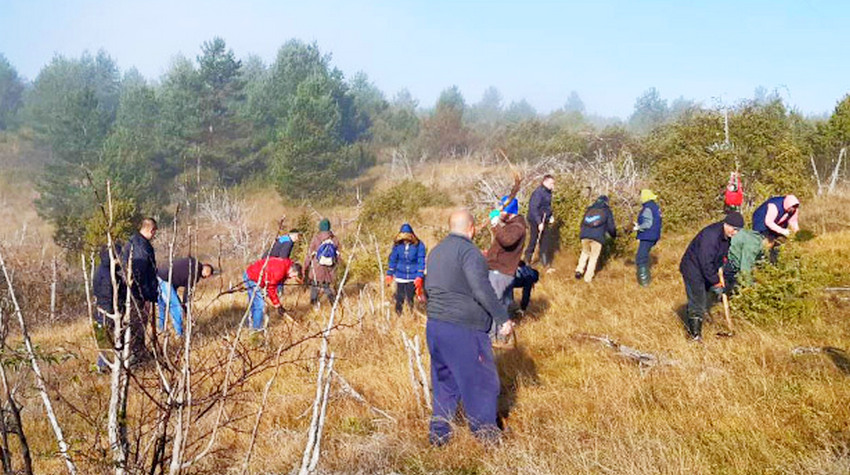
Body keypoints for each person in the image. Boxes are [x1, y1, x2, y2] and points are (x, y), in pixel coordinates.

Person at [424, 209, 513, 446]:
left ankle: (439, 435)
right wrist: (502, 317)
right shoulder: (470, 252)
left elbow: (427, 289)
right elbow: (481, 289)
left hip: (435, 327)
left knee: (445, 382)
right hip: (463, 329)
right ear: (471, 228)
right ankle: (487, 436)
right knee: (482, 382)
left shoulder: (436, 252)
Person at [679, 212, 743, 341]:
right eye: (734, 229)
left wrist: (721, 272)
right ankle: (695, 337)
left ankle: (703, 317)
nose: (735, 232)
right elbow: (705, 262)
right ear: (726, 224)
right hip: (693, 269)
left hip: (707, 268)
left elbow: (720, 256)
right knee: (697, 300)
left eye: (738, 230)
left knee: (707, 297)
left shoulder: (726, 235)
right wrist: (715, 281)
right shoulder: (711, 236)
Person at [121, 218, 158, 360]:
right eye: (154, 232)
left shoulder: (133, 242)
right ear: (151, 230)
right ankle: (136, 356)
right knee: (137, 324)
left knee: (136, 324)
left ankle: (137, 352)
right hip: (138, 294)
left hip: (134, 291)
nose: (154, 235)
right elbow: (140, 273)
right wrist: (146, 294)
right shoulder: (141, 247)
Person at [156, 257, 214, 336]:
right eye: (208, 274)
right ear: (206, 271)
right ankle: (179, 334)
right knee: (176, 307)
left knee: (163, 305)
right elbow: (187, 293)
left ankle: (160, 329)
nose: (206, 277)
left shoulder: (193, 261)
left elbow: (178, 275)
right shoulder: (195, 274)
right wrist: (185, 307)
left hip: (159, 274)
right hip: (165, 279)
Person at [487, 196, 528, 308]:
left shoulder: (518, 227)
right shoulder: (511, 225)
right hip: (499, 270)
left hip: (502, 271)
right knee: (502, 303)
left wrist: (496, 224)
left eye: (502, 211)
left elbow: (507, 241)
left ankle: (501, 324)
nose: (500, 214)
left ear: (509, 211)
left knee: (496, 305)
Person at [243, 257, 303, 330]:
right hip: (252, 277)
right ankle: (256, 330)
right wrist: (277, 305)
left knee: (255, 304)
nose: (292, 278)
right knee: (259, 305)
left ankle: (251, 326)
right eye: (294, 276)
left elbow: (272, 283)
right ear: (292, 270)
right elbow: (271, 288)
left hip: (252, 275)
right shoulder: (280, 271)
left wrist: (278, 305)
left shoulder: (286, 266)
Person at [92, 244, 126, 372]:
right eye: (118, 256)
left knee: (107, 341)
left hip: (104, 311)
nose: (120, 259)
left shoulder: (103, 270)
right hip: (108, 313)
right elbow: (110, 296)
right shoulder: (107, 276)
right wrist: (117, 311)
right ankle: (104, 366)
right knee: (110, 340)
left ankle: (107, 365)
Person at [385, 223, 426, 316]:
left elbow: (421, 260)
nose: (405, 241)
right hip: (400, 276)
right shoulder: (397, 246)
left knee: (410, 297)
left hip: (412, 276)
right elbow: (393, 259)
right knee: (399, 297)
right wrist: (389, 273)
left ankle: (411, 315)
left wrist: (419, 275)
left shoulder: (419, 245)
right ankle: (398, 315)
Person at [575, 195, 617, 282]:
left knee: (585, 252)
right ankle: (587, 278)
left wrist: (583, 233)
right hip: (597, 237)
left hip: (585, 235)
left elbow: (582, 223)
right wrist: (613, 235)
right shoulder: (607, 211)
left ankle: (579, 270)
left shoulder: (589, 209)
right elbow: (611, 226)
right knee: (593, 257)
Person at [304, 218, 341, 306]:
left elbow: (309, 254)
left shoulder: (316, 238)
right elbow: (338, 255)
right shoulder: (334, 239)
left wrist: (305, 267)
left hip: (317, 267)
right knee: (326, 286)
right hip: (330, 267)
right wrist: (336, 266)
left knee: (315, 285)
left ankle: (314, 304)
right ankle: (334, 304)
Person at [752, 195, 800, 263]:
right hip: (762, 221)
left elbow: (793, 221)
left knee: (778, 243)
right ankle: (759, 262)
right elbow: (769, 222)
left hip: (777, 222)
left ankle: (774, 262)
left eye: (795, 207)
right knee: (764, 242)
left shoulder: (794, 209)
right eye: (792, 207)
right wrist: (783, 231)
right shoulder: (774, 206)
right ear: (787, 204)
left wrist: (797, 234)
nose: (793, 209)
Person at [524, 175, 555, 266]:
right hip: (534, 219)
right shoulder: (538, 193)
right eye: (551, 183)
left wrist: (550, 216)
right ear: (545, 182)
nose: (553, 185)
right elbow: (533, 208)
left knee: (545, 240)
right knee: (534, 239)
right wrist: (539, 222)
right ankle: (527, 260)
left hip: (544, 218)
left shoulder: (548, 192)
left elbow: (547, 207)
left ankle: (544, 262)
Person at [634, 189, 662, 287]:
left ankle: (644, 283)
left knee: (640, 257)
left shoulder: (647, 208)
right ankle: (646, 280)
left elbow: (648, 223)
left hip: (647, 235)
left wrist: (637, 227)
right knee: (644, 256)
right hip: (654, 235)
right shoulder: (655, 207)